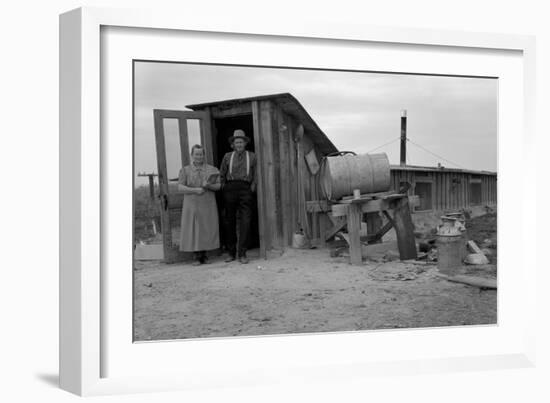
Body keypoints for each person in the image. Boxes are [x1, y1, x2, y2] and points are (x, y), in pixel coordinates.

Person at [178, 144, 221, 265]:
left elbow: (219, 186)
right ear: (192, 155)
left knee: (206, 228)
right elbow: (180, 187)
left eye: (201, 154)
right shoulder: (185, 170)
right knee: (194, 229)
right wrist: (195, 190)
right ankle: (196, 256)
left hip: (207, 203)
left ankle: (205, 256)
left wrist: (209, 186)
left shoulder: (212, 169)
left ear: (204, 155)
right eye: (196, 154)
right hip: (192, 204)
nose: (199, 156)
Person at [219, 129, 257, 264]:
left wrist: (252, 187)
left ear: (245, 143)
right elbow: (222, 173)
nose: (239, 144)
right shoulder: (227, 156)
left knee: (246, 221)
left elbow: (256, 173)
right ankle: (231, 253)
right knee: (229, 221)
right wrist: (224, 186)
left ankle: (242, 253)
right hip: (230, 189)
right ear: (233, 144)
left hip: (245, 189)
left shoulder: (252, 156)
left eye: (241, 142)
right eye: (237, 142)